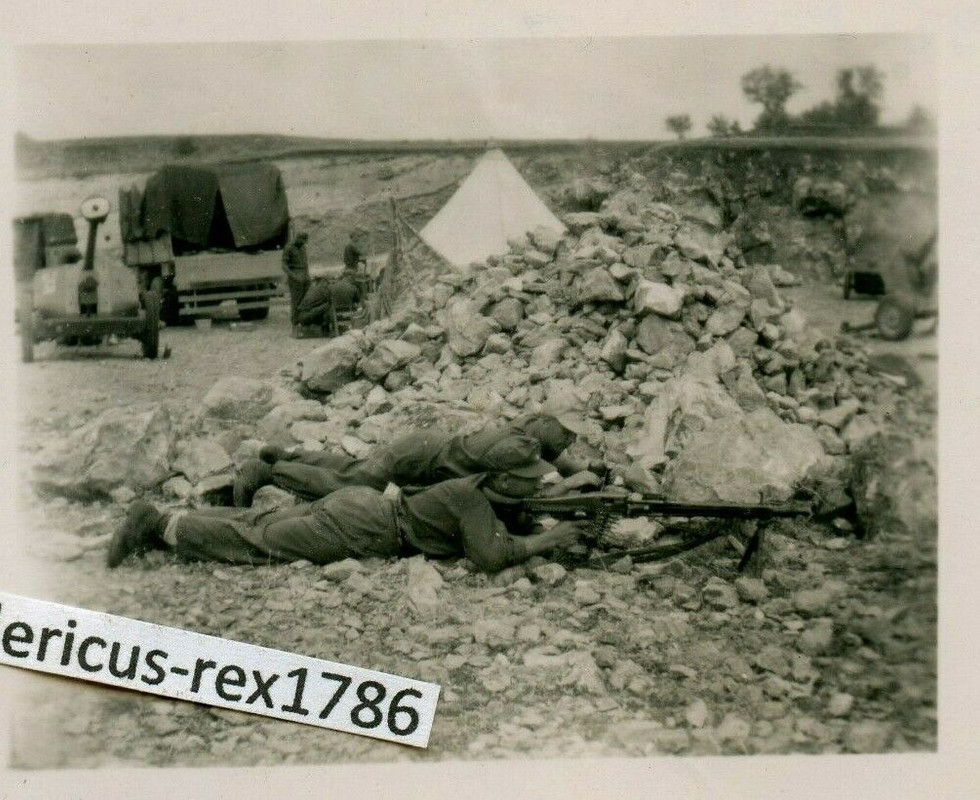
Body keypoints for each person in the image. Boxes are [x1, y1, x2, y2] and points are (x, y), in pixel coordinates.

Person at [106, 461, 584, 574]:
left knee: (261, 524)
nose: (538, 488)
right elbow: (489, 556)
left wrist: (546, 513)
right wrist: (549, 539)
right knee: (262, 544)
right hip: (368, 528)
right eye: (530, 482)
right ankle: (159, 525)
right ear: (505, 480)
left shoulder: (474, 488)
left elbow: (507, 519)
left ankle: (168, 521)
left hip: (361, 505)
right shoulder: (475, 501)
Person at [233, 426, 558, 507]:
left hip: (422, 446)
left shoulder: (516, 441)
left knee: (354, 468)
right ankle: (268, 472)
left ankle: (285, 455)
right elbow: (487, 492)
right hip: (415, 458)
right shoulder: (501, 459)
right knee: (350, 483)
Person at [282, 231, 310, 332]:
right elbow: (284, 266)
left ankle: (303, 322)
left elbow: (306, 263)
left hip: (305, 275)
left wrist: (308, 276)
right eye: (302, 241)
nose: (303, 243)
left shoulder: (303, 247)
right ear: (297, 238)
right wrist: (294, 276)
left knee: (306, 300)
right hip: (295, 275)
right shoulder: (288, 248)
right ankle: (295, 323)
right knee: (296, 301)